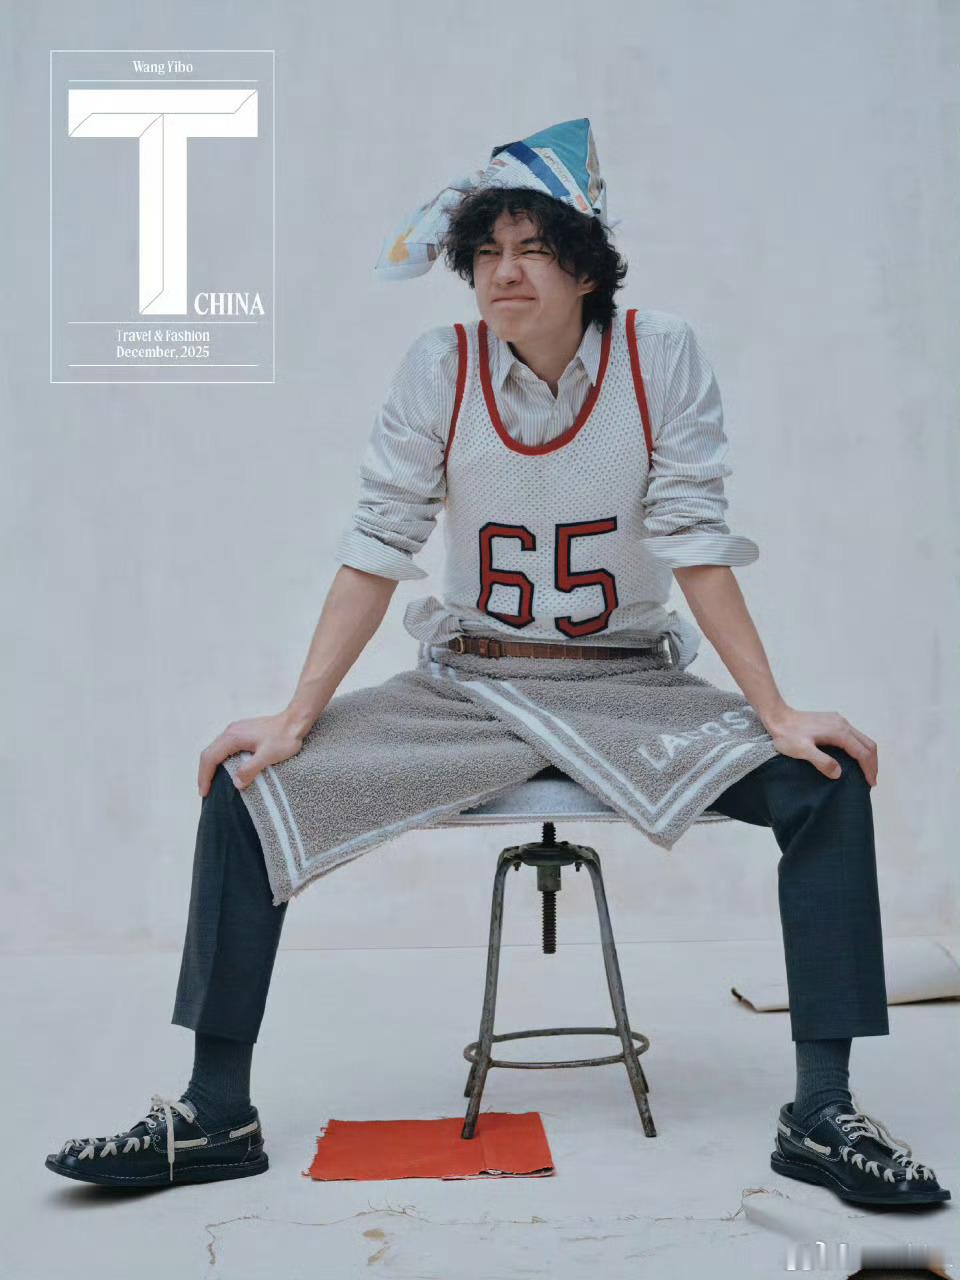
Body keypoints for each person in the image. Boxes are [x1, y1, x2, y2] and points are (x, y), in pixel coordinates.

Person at [46, 119, 949, 1207]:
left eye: (531, 248)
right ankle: (213, 1111)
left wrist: (778, 711)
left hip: (627, 685)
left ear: (587, 264)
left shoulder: (658, 354)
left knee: (823, 779)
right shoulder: (443, 365)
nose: (503, 273)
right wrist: (293, 717)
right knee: (245, 789)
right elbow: (378, 543)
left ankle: (822, 1112)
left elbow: (695, 541)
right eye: (485, 251)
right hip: (469, 685)